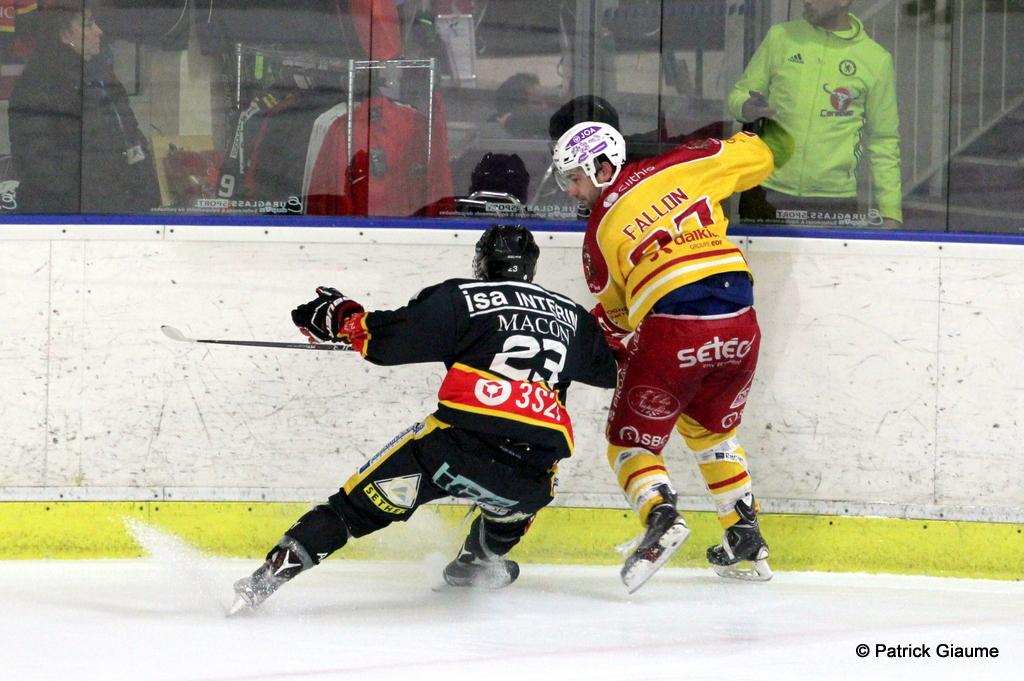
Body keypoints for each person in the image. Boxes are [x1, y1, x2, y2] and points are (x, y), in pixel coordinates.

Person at [230, 224, 619, 614]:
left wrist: (341, 317)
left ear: (482, 263)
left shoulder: (462, 297)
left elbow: (386, 342)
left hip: (452, 452)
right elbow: (611, 371)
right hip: (533, 470)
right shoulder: (573, 316)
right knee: (513, 506)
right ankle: (478, 563)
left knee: (350, 511)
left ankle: (264, 580)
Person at [551, 121, 775, 592]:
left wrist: (593, 347)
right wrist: (765, 133)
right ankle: (744, 537)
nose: (571, 191)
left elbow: (619, 316)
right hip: (742, 323)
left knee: (629, 444)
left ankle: (661, 516)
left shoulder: (598, 235)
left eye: (575, 178)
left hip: (674, 328)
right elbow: (758, 157)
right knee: (711, 430)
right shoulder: (682, 164)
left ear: (603, 167)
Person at [727, 0, 902, 228]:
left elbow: (884, 140)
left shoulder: (875, 59)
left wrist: (891, 212)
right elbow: (738, 94)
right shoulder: (780, 37)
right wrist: (746, 107)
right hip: (766, 189)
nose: (806, 1)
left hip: (833, 200)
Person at [7, 2, 160, 213]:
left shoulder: (102, 75)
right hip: (66, 215)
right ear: (64, 35)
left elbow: (130, 135)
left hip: (119, 206)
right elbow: (39, 164)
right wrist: (97, 195)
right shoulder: (39, 85)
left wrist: (146, 190)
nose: (99, 31)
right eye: (88, 25)